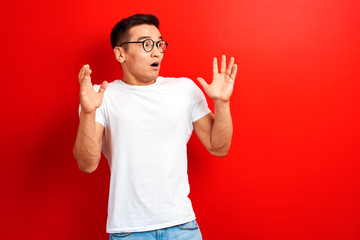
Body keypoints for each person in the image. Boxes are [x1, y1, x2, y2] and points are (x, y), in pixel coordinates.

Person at [73, 14, 237, 240]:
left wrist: (222, 102)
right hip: (129, 231)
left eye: (160, 43)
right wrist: (89, 113)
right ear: (120, 53)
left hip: (182, 227)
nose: (157, 51)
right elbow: (87, 164)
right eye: (146, 44)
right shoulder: (101, 96)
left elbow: (219, 147)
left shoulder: (184, 89)